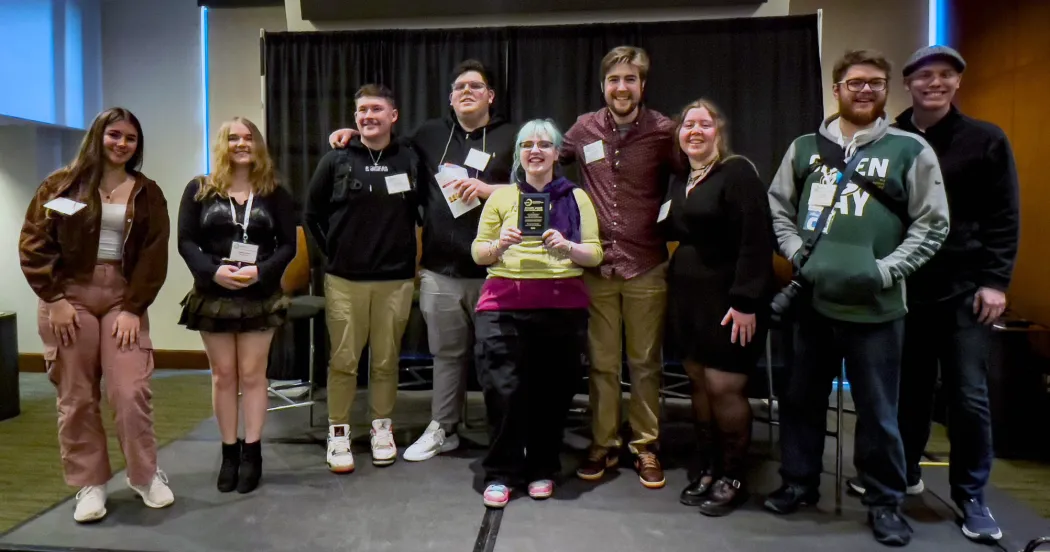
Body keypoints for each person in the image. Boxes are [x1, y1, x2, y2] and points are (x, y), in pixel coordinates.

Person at [765, 49, 949, 547]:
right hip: (812, 303)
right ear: (837, 88)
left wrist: (887, 271)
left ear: (886, 89)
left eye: (874, 82)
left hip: (877, 309)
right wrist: (796, 253)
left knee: (878, 412)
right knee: (801, 401)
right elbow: (778, 207)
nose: (864, 90)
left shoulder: (911, 150)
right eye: (854, 82)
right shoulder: (805, 148)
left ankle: (885, 501)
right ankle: (799, 483)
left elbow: (933, 224)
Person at [846, 46, 1019, 544]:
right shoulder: (886, 138)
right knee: (908, 391)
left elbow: (1005, 215)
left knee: (968, 396)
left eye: (945, 75)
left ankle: (971, 496)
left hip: (964, 289)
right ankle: (903, 474)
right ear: (908, 83)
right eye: (925, 75)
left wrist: (995, 281)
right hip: (902, 288)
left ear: (957, 83)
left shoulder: (986, 140)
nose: (935, 83)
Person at [329, 60, 517, 462]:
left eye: (475, 85)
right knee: (446, 356)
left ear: (491, 95)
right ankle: (443, 428)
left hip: (497, 271)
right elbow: (385, 145)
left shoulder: (513, 137)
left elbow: (534, 187)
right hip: (440, 269)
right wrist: (351, 135)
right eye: (459, 86)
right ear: (450, 97)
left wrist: (489, 190)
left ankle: (506, 434)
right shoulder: (430, 134)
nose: (466, 91)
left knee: (498, 358)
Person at [19, 107, 173, 522]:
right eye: (114, 135)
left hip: (123, 297)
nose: (122, 143)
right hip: (70, 299)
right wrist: (55, 301)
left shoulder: (147, 192)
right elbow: (35, 244)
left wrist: (133, 308)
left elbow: (153, 258)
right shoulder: (62, 185)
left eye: (131, 138)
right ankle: (91, 482)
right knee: (76, 397)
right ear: (98, 137)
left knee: (129, 391)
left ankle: (144, 475)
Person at [471, 119, 603, 508]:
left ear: (557, 153)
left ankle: (543, 467)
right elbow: (478, 253)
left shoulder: (576, 198)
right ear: (518, 155)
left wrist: (568, 247)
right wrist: (498, 245)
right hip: (503, 305)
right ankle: (502, 472)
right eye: (527, 144)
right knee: (504, 392)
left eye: (544, 145)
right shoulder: (500, 198)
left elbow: (594, 254)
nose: (535, 151)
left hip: (562, 304)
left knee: (552, 394)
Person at [563, 45, 676, 489]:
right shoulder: (583, 128)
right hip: (596, 266)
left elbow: (696, 172)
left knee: (645, 362)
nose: (622, 88)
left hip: (646, 263)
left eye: (630, 80)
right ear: (603, 86)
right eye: (614, 80)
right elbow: (540, 156)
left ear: (642, 85)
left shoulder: (664, 130)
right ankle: (603, 443)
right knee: (602, 364)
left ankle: (645, 444)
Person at [661, 100, 774, 516]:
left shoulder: (737, 173)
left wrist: (746, 301)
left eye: (704, 124)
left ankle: (734, 475)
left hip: (729, 299)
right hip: (688, 298)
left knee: (725, 387)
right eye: (687, 124)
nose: (694, 130)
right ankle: (708, 466)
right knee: (698, 383)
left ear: (718, 132)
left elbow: (756, 240)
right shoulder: (680, 179)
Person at [306, 84, 425, 473]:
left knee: (386, 361)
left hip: (395, 281)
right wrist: (334, 255)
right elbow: (311, 215)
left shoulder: (409, 157)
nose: (368, 116)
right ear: (354, 119)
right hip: (345, 280)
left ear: (394, 115)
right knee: (343, 361)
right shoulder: (337, 158)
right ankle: (338, 432)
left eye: (376, 109)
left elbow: (426, 210)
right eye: (361, 111)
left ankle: (381, 427)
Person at [176, 117, 297, 494]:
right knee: (223, 375)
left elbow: (288, 245)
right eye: (234, 137)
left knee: (252, 375)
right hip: (214, 295)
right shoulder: (199, 189)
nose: (241, 143)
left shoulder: (274, 191)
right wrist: (214, 272)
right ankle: (229, 451)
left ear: (258, 145)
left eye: (248, 137)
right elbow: (186, 242)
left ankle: (253, 452)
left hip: (259, 295)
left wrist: (261, 272)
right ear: (222, 145)